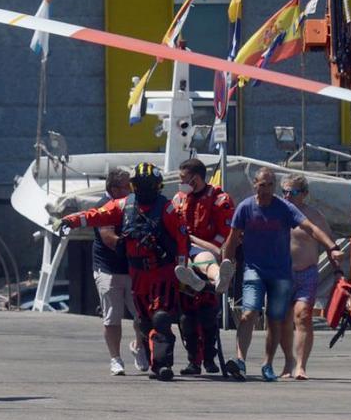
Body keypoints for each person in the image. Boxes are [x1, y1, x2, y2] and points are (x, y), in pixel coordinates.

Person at [62, 163, 190, 381]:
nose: (145, 189)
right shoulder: (123, 205)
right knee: (144, 322)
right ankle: (154, 363)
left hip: (161, 273)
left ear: (157, 186)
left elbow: (181, 240)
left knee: (160, 318)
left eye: (149, 185)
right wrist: (71, 220)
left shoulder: (168, 209)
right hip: (137, 274)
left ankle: (163, 364)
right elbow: (97, 215)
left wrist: (181, 270)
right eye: (141, 185)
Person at [222, 167, 343, 381]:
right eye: (262, 185)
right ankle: (240, 361)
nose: (266, 189)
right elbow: (232, 239)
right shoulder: (245, 208)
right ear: (255, 185)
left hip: (283, 273)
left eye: (270, 185)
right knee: (249, 313)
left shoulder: (285, 208)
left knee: (281, 319)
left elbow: (311, 229)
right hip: (254, 270)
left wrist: (332, 247)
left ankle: (271, 363)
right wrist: (227, 264)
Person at [171, 158, 236, 376]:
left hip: (207, 255)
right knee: (187, 317)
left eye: (182, 178)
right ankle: (193, 361)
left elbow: (225, 236)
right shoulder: (178, 200)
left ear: (195, 178)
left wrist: (201, 244)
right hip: (183, 262)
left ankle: (209, 358)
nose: (180, 183)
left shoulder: (220, 200)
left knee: (208, 315)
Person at [280, 174, 335, 380]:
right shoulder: (277, 213)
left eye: (293, 192)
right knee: (283, 320)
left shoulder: (314, 216)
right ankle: (288, 362)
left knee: (303, 316)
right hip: (282, 274)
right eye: (284, 191)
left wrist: (337, 269)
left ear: (304, 194)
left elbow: (329, 241)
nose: (287, 196)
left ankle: (301, 365)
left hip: (307, 272)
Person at [91, 169, 139, 375]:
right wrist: (137, 243)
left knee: (141, 315)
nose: (131, 189)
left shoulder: (133, 203)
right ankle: (115, 359)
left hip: (133, 269)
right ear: (114, 189)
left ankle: (139, 346)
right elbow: (109, 239)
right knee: (112, 317)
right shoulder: (104, 206)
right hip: (108, 269)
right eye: (127, 186)